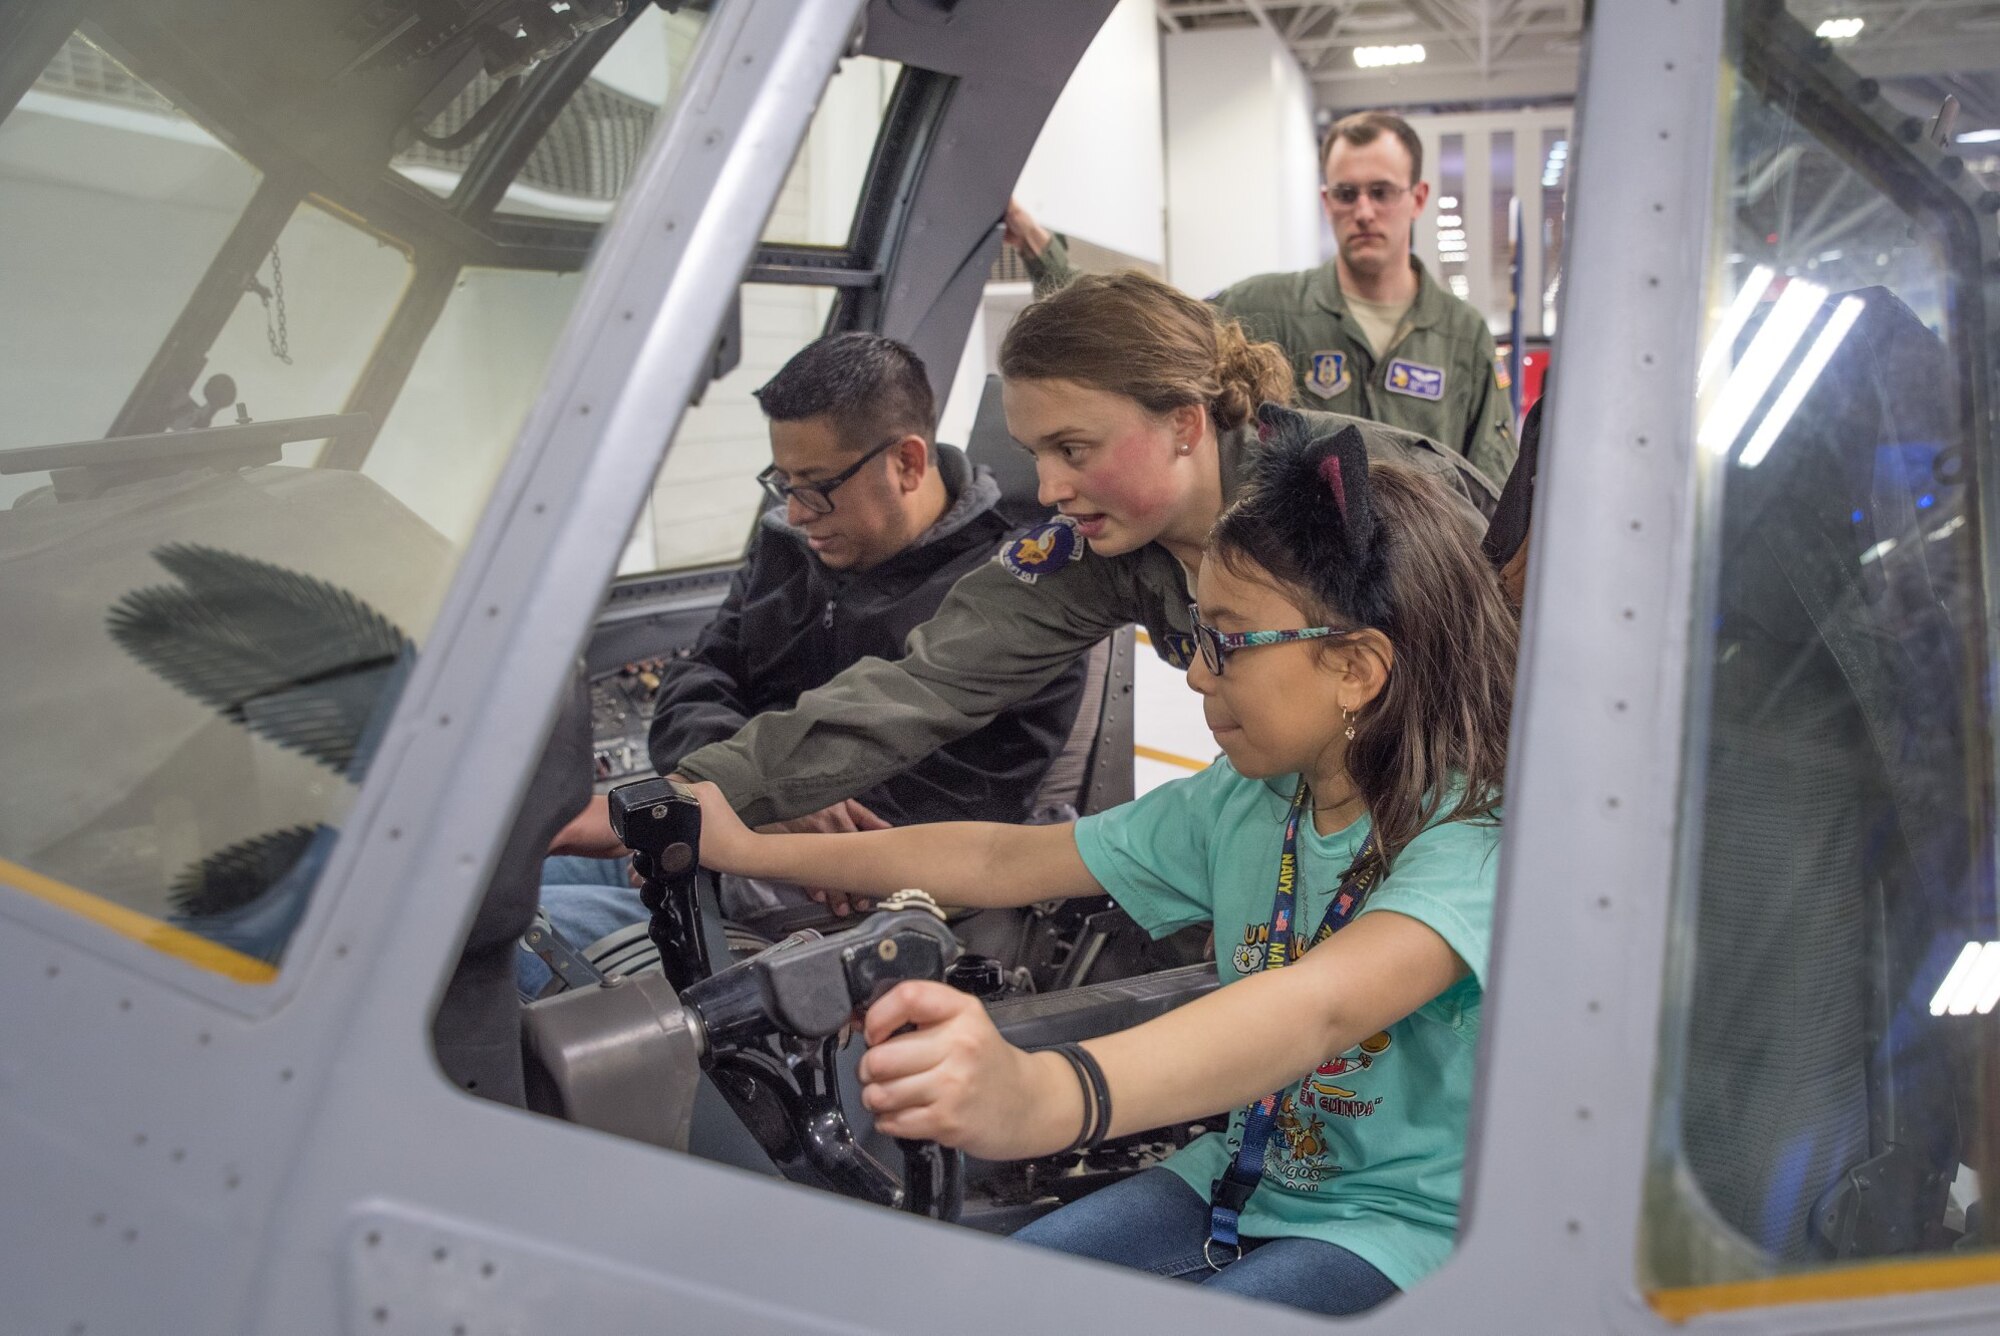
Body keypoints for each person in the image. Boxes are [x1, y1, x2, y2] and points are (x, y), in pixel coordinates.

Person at [685, 405, 1517, 1316]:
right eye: (1198, 634)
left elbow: (1317, 1011)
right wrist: (748, 843)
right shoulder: (1250, 799)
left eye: (1228, 641)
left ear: (1357, 668)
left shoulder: (1473, 837)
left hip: (1411, 1229)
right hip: (1245, 1178)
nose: (1197, 674)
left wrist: (1042, 1095)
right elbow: (1009, 859)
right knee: (982, 1304)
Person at [633, 271, 1485, 834]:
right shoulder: (1100, 544)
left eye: (1072, 450)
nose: (1046, 489)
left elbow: (1523, 686)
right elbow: (921, 685)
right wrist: (686, 794)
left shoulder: (1375, 496)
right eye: (1035, 453)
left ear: (1185, 424)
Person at [527, 333, 1085, 993]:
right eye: (784, 483)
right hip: (712, 828)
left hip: (822, 899)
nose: (795, 512)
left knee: (489, 940)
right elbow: (693, 684)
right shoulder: (788, 545)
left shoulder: (1012, 605)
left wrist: (759, 811)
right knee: (490, 883)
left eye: (817, 489)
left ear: (907, 462)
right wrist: (763, 796)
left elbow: (942, 814)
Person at [1006, 111, 1515, 506]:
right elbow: (1141, 332)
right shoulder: (1265, 308)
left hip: (1425, 587)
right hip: (1304, 584)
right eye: (1346, 193)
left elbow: (1493, 485)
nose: (1363, 211)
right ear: (1326, 199)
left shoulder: (1460, 333)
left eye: (1381, 193)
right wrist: (1042, 254)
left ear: (1418, 197)